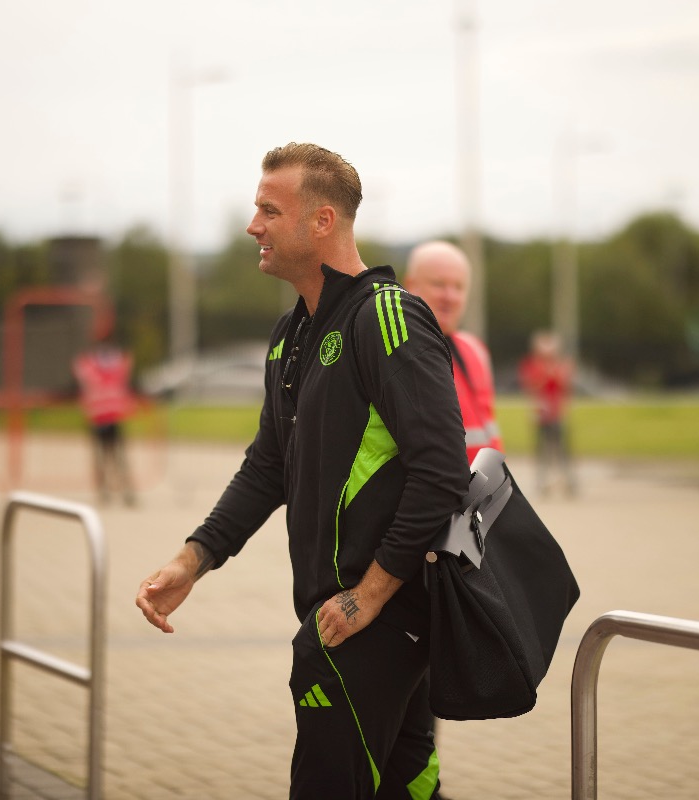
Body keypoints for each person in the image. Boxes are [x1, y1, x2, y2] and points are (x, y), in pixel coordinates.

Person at [136, 143, 468, 799]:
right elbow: (267, 468)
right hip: (352, 619)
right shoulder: (292, 333)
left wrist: (368, 596)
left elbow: (442, 474)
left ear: (321, 222)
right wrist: (193, 558)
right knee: (407, 789)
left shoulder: (388, 316)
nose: (252, 225)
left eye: (268, 210)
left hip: (375, 618)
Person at [405, 240, 503, 463]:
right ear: (411, 285)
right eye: (439, 284)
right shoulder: (397, 352)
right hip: (437, 491)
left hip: (483, 489)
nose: (449, 296)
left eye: (458, 287)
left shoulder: (476, 350)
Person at [72, 323, 137, 506]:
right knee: (113, 457)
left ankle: (115, 491)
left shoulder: (88, 362)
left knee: (111, 457)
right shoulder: (117, 361)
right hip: (106, 414)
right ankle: (116, 491)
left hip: (103, 414)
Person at [518, 330, 577, 496]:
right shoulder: (532, 365)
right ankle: (542, 482)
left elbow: (566, 385)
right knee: (542, 450)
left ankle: (569, 481)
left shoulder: (561, 364)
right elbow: (530, 386)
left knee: (563, 450)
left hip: (557, 412)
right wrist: (545, 374)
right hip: (541, 413)